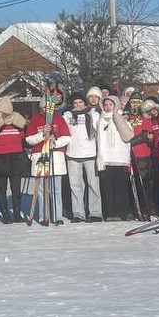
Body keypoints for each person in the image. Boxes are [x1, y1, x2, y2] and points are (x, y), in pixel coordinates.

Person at [0, 96, 29, 223]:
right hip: (0, 160)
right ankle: (5, 213)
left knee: (16, 190)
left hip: (16, 159)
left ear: (6, 112)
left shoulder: (18, 124)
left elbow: (25, 141)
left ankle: (17, 213)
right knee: (1, 189)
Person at [24, 103, 72, 224]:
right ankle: (43, 215)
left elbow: (67, 137)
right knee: (41, 189)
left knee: (56, 189)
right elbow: (29, 139)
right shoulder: (35, 119)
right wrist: (42, 134)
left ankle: (57, 215)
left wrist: (55, 141)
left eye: (49, 107)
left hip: (55, 156)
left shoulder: (58, 118)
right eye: (44, 107)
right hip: (40, 155)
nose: (47, 110)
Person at [63, 91, 103, 222]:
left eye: (80, 102)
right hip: (73, 154)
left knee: (93, 185)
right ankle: (78, 213)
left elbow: (100, 133)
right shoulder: (67, 116)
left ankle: (95, 213)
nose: (78, 105)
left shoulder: (94, 115)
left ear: (84, 103)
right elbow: (63, 133)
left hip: (91, 153)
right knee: (75, 186)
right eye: (75, 103)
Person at [95, 95, 135, 221]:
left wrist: (117, 117)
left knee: (120, 188)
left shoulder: (122, 118)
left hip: (120, 158)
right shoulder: (100, 120)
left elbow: (128, 136)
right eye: (106, 105)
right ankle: (110, 213)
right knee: (108, 189)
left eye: (110, 105)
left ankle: (121, 212)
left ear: (116, 105)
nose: (108, 107)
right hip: (105, 159)